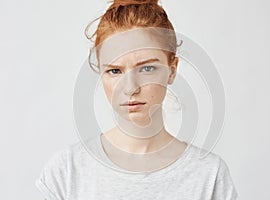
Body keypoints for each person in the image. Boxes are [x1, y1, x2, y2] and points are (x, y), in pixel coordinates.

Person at [35, 0, 238, 199]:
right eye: (115, 71)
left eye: (147, 68)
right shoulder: (66, 173)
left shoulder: (209, 175)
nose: (131, 88)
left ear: (172, 70)